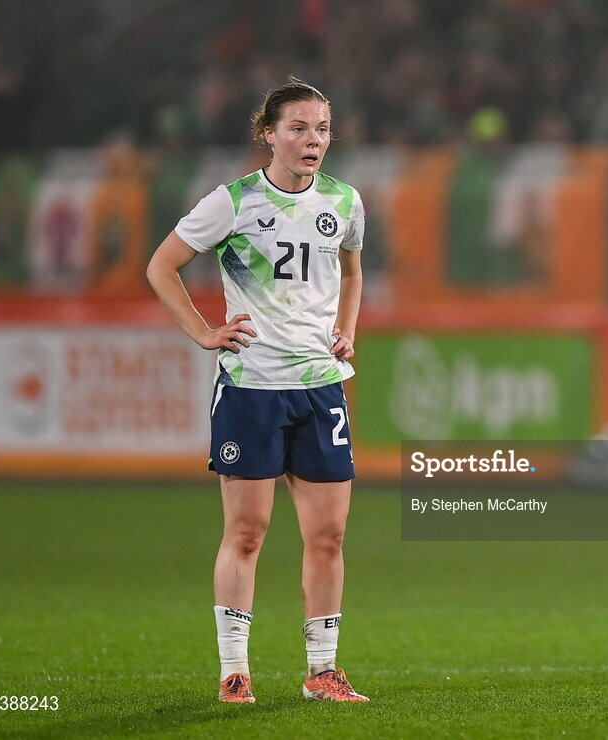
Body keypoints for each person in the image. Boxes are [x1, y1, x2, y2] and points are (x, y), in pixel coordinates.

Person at [146, 78, 368, 704]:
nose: (312, 140)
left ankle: (323, 673)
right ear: (268, 133)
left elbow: (350, 272)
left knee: (329, 538)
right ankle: (234, 673)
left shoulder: (345, 202)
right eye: (298, 128)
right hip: (252, 387)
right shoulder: (235, 202)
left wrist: (345, 331)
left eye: (322, 129)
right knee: (248, 534)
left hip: (320, 388)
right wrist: (202, 332)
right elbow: (162, 265)